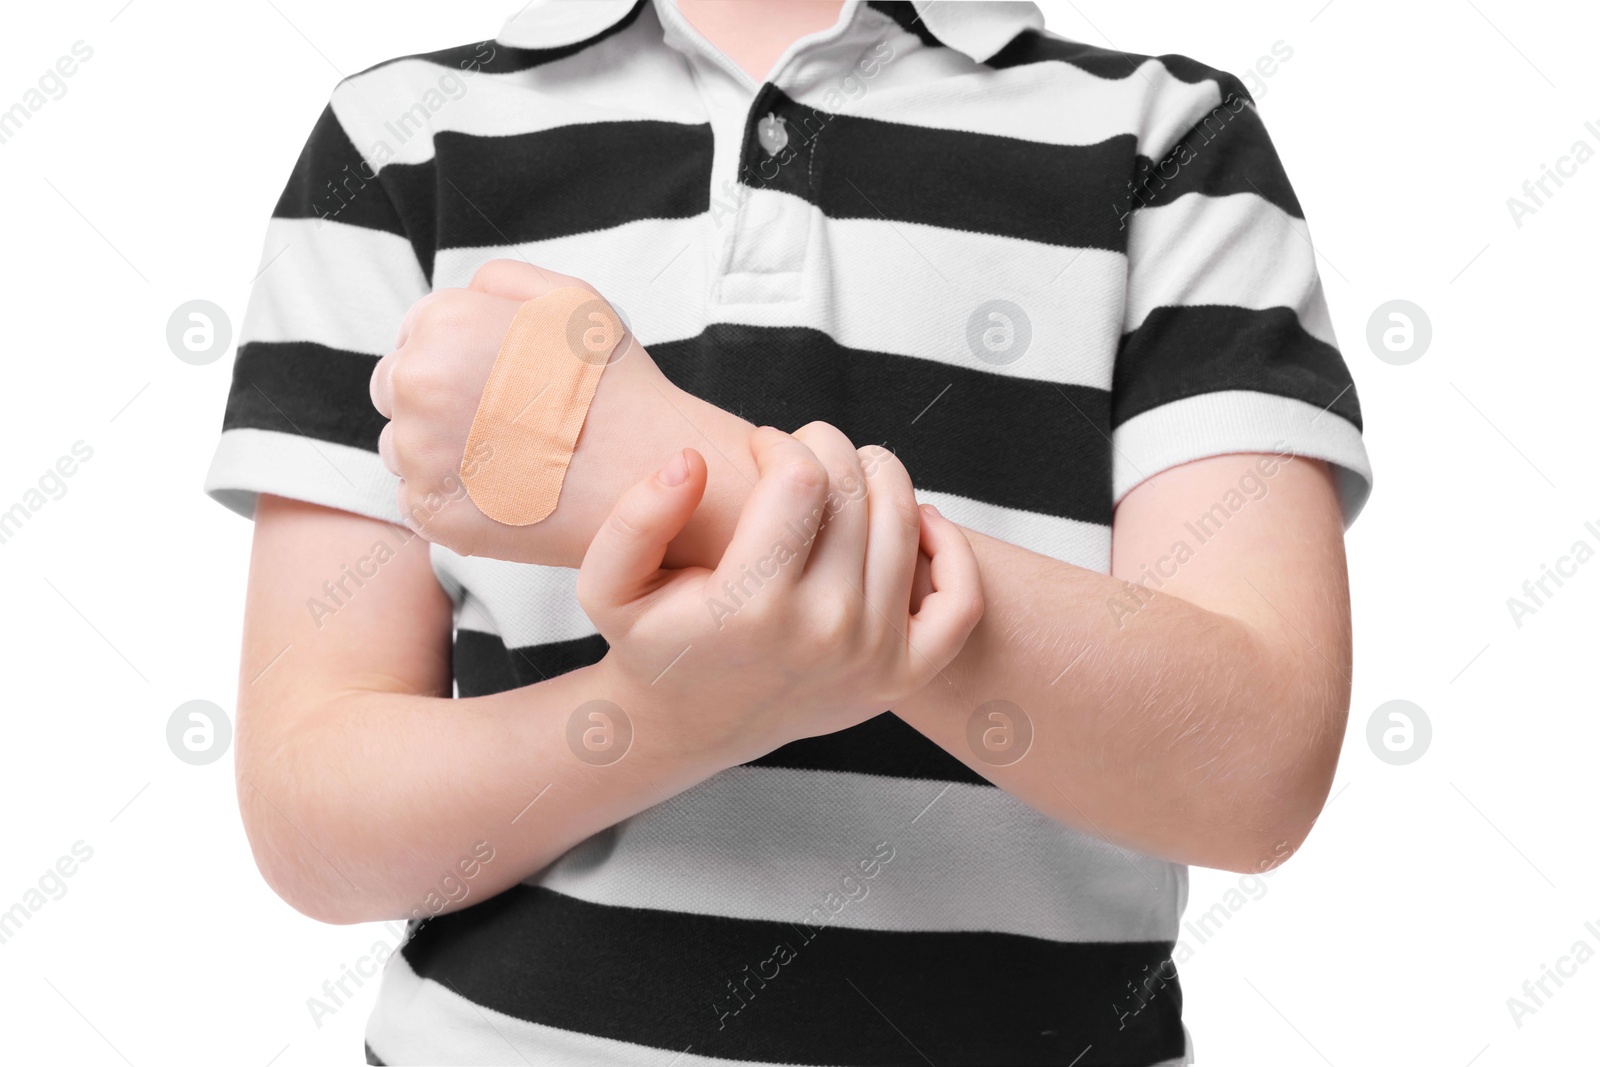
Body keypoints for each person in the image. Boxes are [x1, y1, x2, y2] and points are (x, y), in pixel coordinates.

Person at [207, 1, 1372, 1063]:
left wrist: (674, 478)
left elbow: (1255, 772)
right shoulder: (401, 141)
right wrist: (666, 715)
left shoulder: (1171, 142)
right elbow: (314, 814)